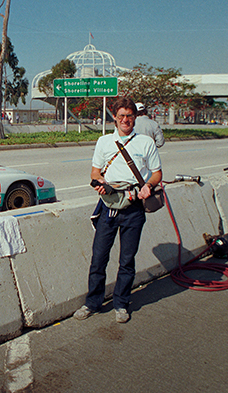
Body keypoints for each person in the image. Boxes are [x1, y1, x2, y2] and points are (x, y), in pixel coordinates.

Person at [74, 97, 162, 323]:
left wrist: (148, 187)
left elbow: (156, 173)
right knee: (98, 259)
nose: (125, 120)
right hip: (108, 208)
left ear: (135, 117)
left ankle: (121, 304)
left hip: (134, 210)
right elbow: (95, 173)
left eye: (129, 116)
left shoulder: (145, 143)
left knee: (127, 260)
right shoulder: (104, 142)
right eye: (121, 116)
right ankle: (92, 302)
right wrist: (100, 184)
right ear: (114, 117)